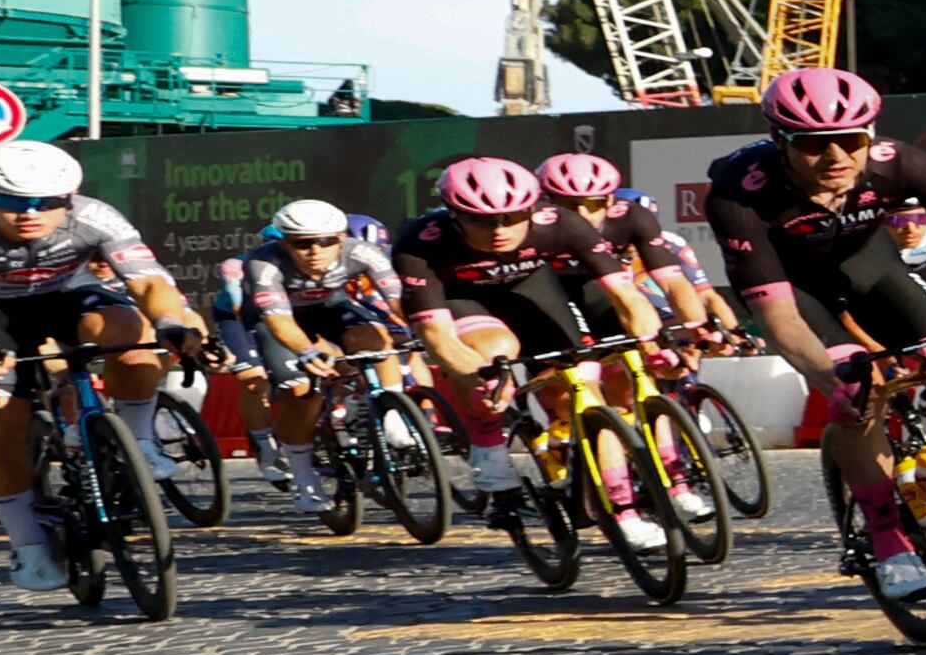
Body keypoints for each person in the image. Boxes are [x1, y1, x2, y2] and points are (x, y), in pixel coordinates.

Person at [715, 68, 926, 597]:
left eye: (851, 141)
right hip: (794, 287)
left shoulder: (908, 166)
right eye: (812, 146)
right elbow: (780, 319)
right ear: (780, 142)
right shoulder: (740, 194)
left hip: (871, 267)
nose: (836, 158)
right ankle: (887, 540)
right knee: (860, 392)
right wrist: (832, 377)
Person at [0, 139, 211, 592]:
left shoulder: (95, 216)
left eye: (48, 203)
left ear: (70, 198)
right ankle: (28, 545)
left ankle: (139, 440)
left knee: (133, 335)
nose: (30, 213)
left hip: (64, 295)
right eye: (10, 202)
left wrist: (170, 321)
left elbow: (148, 282)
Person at [393, 156, 675, 553]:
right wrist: (480, 377)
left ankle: (623, 512)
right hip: (464, 301)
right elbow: (437, 336)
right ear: (454, 216)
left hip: (529, 289)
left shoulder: (558, 221)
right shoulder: (421, 241)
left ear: (532, 208)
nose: (500, 230)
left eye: (513, 217)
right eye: (482, 221)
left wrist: (651, 340)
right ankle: (490, 457)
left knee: (586, 393)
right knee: (495, 356)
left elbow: (625, 293)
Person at [223, 195, 407, 515]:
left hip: (330, 307)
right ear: (285, 245)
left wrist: (423, 330)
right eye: (302, 244)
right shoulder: (262, 263)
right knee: (300, 393)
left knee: (376, 340)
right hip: (279, 320)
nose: (314, 251)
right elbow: (279, 321)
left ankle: (391, 416)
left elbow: (397, 299)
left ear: (341, 238)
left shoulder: (363, 251)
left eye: (324, 242)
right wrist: (306, 352)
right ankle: (303, 475)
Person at [536, 150, 726, 337]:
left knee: (643, 332)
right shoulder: (526, 228)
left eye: (594, 204)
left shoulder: (632, 216)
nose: (582, 215)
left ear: (610, 200)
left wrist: (698, 329)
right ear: (544, 202)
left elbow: (672, 282)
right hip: (539, 287)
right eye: (568, 205)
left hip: (593, 284)